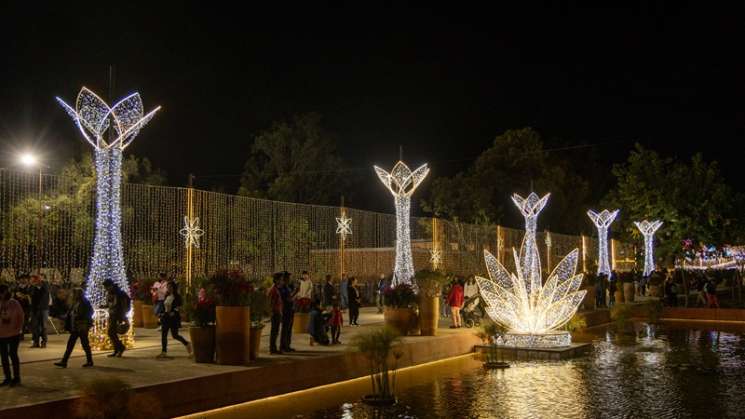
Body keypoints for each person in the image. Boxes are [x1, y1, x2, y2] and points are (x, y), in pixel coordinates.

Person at [54, 288, 93, 368]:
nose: (72, 295)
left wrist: (81, 317)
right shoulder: (75, 303)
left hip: (82, 326)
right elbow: (71, 312)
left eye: (74, 294)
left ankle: (89, 361)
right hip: (75, 326)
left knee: (85, 344)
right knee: (70, 344)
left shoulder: (84, 302)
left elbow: (89, 312)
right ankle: (64, 361)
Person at [157, 281, 192, 358]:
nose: (169, 288)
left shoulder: (177, 297)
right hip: (166, 317)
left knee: (175, 335)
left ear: (174, 288)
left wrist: (174, 312)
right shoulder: (167, 296)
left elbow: (179, 307)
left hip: (173, 318)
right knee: (164, 334)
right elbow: (164, 306)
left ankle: (187, 344)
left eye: (170, 287)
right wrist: (161, 313)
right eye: (168, 287)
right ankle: (164, 351)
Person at [0, 284, 23, 387]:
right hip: (1, 333)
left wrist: (18, 328)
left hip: (14, 333)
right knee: (3, 356)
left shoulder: (14, 303)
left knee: (13, 354)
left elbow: (21, 316)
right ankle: (8, 377)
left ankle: (17, 378)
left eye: (3, 292)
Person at [103, 279, 129, 357]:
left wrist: (122, 316)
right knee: (112, 333)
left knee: (111, 332)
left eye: (106, 287)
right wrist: (104, 306)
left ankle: (120, 348)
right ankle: (117, 350)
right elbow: (110, 304)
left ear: (111, 285)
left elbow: (123, 306)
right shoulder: (110, 293)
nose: (106, 289)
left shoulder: (119, 293)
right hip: (112, 315)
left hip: (117, 315)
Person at [29, 275, 49, 348]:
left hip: (44, 309)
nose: (32, 282)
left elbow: (45, 290)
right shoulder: (33, 288)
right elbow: (31, 294)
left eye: (34, 281)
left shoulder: (45, 286)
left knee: (44, 326)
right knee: (35, 326)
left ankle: (44, 342)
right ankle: (36, 342)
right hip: (35, 309)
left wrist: (41, 280)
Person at [279, 272, 296, 352]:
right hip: (286, 310)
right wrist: (295, 293)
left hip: (290, 310)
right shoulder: (282, 287)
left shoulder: (287, 287)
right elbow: (287, 299)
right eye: (288, 277)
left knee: (289, 329)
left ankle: (287, 345)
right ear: (284, 278)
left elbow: (290, 297)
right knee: (285, 329)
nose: (289, 279)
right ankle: (283, 346)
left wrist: (294, 293)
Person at [268, 274, 284, 354]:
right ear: (277, 280)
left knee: (275, 331)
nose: (281, 281)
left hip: (277, 312)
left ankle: (273, 347)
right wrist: (272, 311)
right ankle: (272, 348)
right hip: (275, 312)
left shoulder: (276, 289)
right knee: (274, 331)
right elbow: (270, 301)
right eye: (280, 279)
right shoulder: (273, 289)